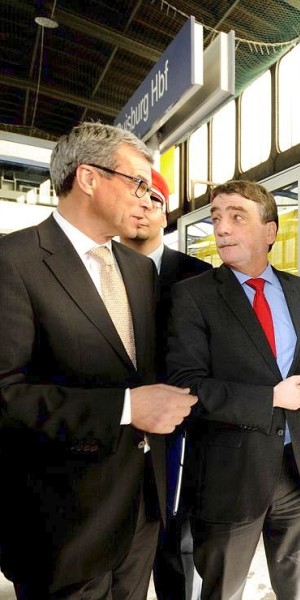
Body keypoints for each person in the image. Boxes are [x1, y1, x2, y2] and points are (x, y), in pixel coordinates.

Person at [0, 122, 198, 600]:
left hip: (141, 512)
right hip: (62, 524)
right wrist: (127, 409)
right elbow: (6, 395)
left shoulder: (135, 269)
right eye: (138, 183)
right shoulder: (13, 262)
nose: (148, 198)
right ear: (88, 178)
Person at [167, 180, 300, 600]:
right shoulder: (193, 297)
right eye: (216, 217)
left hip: (296, 472)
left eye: (237, 216)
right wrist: (270, 398)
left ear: (269, 231)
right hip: (228, 478)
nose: (221, 228)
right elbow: (186, 386)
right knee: (223, 591)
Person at [120, 168, 211, 600]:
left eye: (154, 200)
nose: (143, 208)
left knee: (176, 546)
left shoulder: (198, 275)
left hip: (179, 434)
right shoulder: (93, 271)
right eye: (134, 197)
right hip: (112, 427)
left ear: (166, 213)